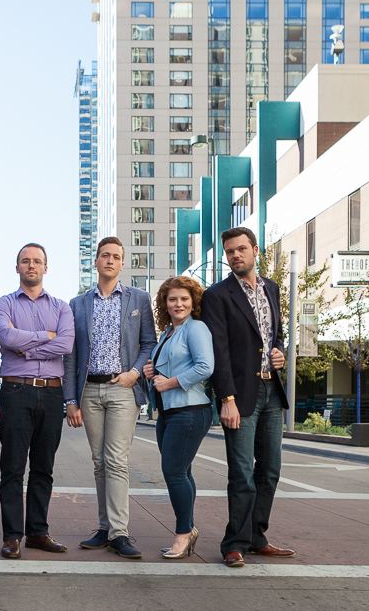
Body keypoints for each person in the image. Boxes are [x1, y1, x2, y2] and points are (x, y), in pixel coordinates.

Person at [201, 227, 293, 568]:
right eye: (229, 251)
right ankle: (234, 543)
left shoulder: (272, 288)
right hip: (239, 395)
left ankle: (257, 537)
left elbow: (275, 335)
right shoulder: (217, 295)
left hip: (272, 390)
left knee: (270, 470)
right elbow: (219, 351)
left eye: (241, 249)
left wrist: (279, 352)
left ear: (255, 250)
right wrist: (225, 398)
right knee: (241, 472)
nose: (235, 255)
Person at [63, 237, 157, 558]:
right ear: (96, 261)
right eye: (105, 255)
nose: (111, 261)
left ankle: (119, 532)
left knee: (116, 459)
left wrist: (134, 372)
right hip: (88, 389)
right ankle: (104, 527)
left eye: (117, 256)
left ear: (122, 263)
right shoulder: (77, 304)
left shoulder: (138, 299)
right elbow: (71, 355)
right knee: (99, 462)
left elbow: (149, 343)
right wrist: (70, 400)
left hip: (123, 388)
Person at [0, 243, 74, 559]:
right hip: (16, 391)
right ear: (17, 268)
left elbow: (66, 343)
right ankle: (12, 536)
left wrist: (26, 346)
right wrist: (47, 337)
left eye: (37, 261)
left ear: (45, 268)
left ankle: (38, 533)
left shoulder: (62, 307)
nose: (31, 265)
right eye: (25, 261)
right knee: (12, 467)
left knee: (44, 467)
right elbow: (6, 337)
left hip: (53, 393)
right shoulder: (3, 304)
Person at [142, 276, 213, 559]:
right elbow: (165, 371)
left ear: (193, 301)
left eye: (184, 298)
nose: (178, 304)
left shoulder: (196, 328)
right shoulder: (168, 333)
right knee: (182, 472)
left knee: (173, 473)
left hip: (190, 410)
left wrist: (170, 382)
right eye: (172, 299)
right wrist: (151, 374)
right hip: (169, 412)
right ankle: (189, 529)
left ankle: (183, 535)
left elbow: (206, 366)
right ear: (165, 304)